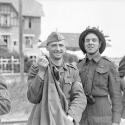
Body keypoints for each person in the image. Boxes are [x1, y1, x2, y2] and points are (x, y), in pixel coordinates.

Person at [27, 32, 87, 125]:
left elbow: (80, 97)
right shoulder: (37, 68)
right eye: (54, 45)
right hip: (44, 118)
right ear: (47, 47)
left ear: (65, 48)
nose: (58, 49)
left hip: (66, 118)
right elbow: (33, 98)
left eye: (61, 45)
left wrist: (70, 117)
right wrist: (42, 72)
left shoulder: (72, 70)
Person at [77, 27, 122, 125]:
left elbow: (116, 96)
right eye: (87, 41)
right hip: (82, 116)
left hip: (103, 116)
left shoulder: (109, 65)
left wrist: (115, 121)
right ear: (83, 44)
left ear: (100, 44)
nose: (90, 43)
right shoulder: (78, 66)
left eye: (94, 40)